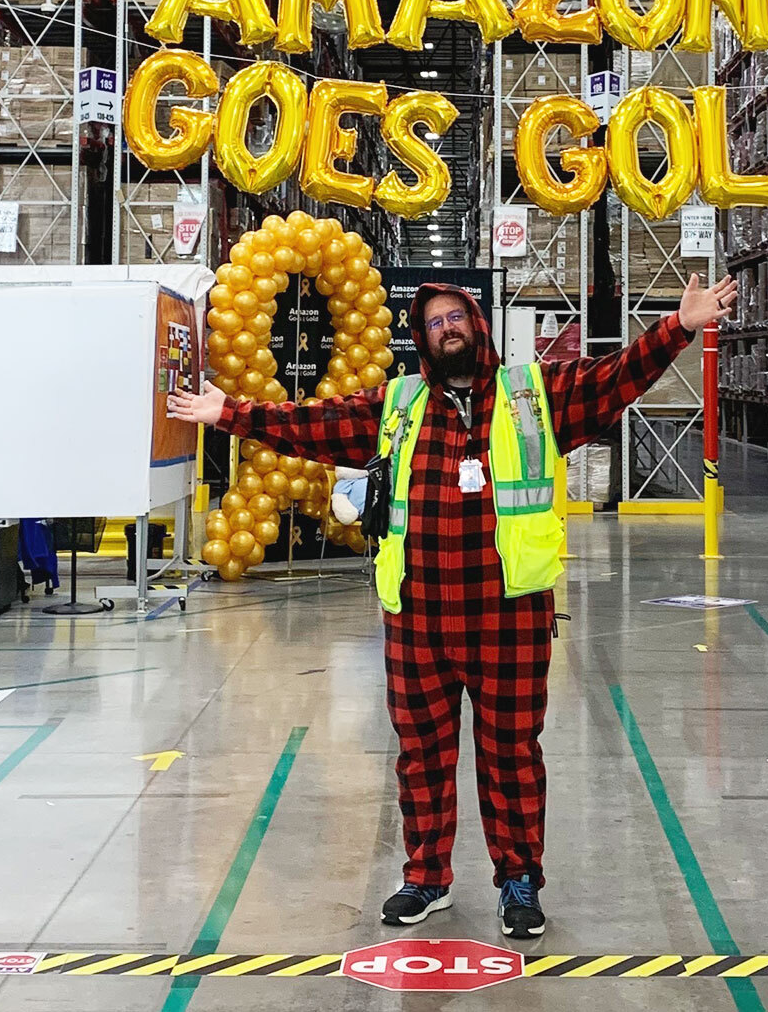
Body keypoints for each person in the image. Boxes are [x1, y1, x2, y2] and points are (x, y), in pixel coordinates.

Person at [169, 273, 735, 939]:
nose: (446, 329)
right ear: (423, 338)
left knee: (512, 756)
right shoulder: (399, 405)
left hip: (511, 619)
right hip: (419, 621)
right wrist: (229, 413)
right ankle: (427, 875)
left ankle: (519, 881)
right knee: (422, 755)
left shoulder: (535, 396)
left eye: (454, 317)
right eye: (434, 322)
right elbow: (313, 424)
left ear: (478, 323)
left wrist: (678, 327)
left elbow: (614, 378)